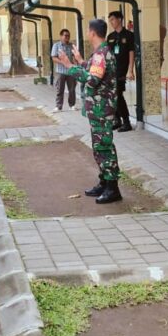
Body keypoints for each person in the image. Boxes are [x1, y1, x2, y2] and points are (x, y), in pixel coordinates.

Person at [56, 18, 123, 204]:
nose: (87, 33)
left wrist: (70, 66)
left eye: (87, 31)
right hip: (99, 110)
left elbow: (92, 80)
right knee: (99, 146)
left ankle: (112, 188)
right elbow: (95, 72)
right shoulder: (100, 53)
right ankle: (104, 181)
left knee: (104, 146)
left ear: (92, 33)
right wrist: (81, 62)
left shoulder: (101, 54)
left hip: (102, 110)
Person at [106, 11, 135, 132]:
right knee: (112, 95)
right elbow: (108, 54)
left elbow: (131, 53)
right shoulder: (111, 36)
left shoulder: (129, 35)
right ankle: (117, 120)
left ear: (119, 19)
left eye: (113, 19)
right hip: (111, 70)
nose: (111, 22)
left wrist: (130, 70)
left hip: (122, 70)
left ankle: (127, 122)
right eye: (110, 20)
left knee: (118, 95)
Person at [50, 29, 80, 111]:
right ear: (61, 36)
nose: (67, 37)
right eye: (65, 35)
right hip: (60, 71)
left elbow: (75, 58)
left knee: (72, 89)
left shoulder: (71, 46)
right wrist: (63, 62)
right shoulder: (56, 45)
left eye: (68, 36)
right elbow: (54, 58)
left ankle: (72, 105)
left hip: (70, 71)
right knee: (60, 89)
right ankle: (58, 106)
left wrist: (76, 67)